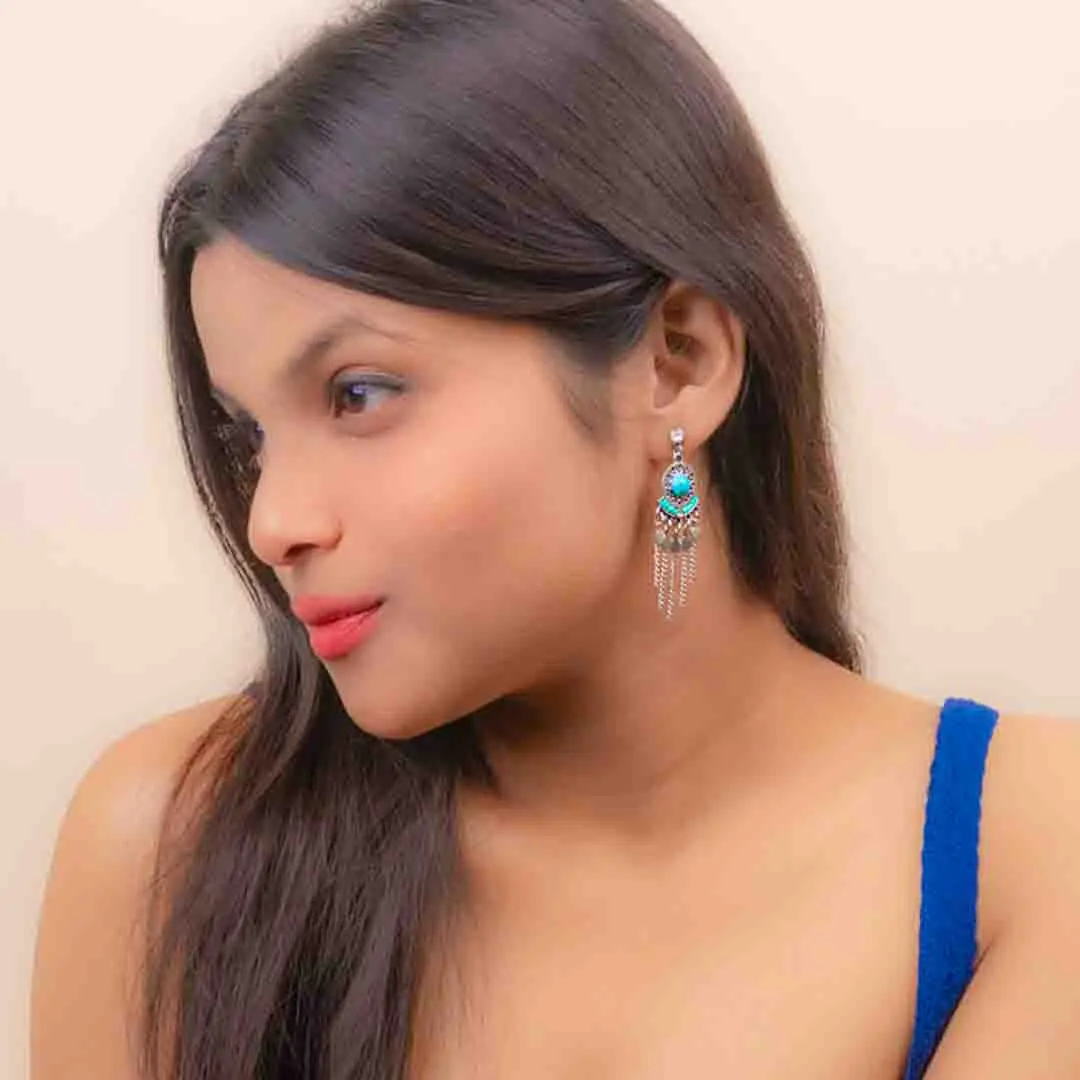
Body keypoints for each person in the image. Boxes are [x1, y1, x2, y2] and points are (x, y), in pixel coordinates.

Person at [29, 0, 1080, 1077]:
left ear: (675, 363)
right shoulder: (171, 844)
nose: (272, 522)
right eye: (249, 437)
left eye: (360, 393)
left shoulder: (1033, 857)